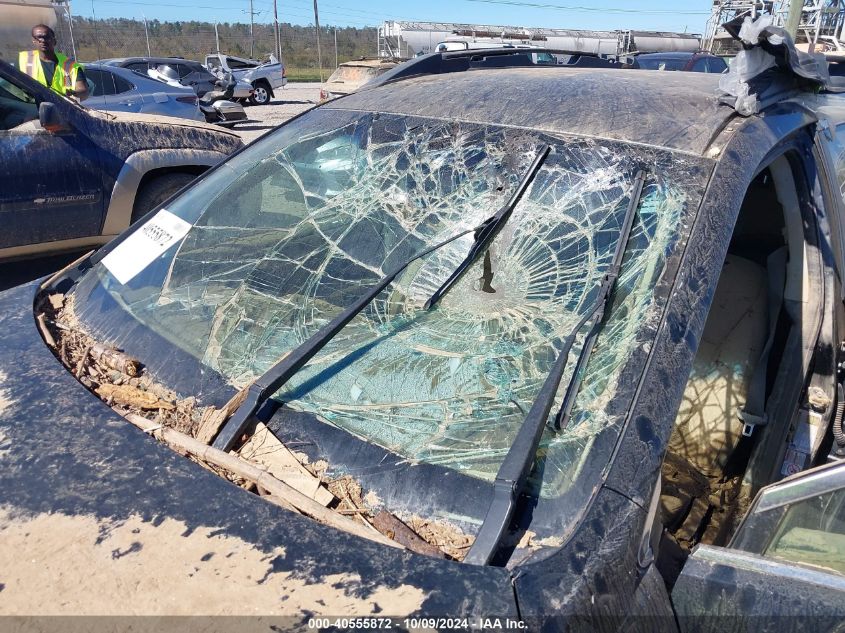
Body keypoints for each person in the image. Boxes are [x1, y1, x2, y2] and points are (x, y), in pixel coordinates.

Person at [18, 24, 88, 100]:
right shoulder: (23, 61)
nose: (43, 40)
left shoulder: (70, 66)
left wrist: (74, 94)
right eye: (38, 37)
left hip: (62, 109)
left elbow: (83, 91)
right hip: (32, 109)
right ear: (33, 41)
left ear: (54, 41)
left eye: (46, 37)